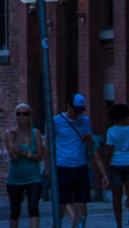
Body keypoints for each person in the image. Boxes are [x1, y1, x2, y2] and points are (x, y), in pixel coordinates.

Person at [52, 94, 104, 228]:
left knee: (82, 202)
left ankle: (77, 226)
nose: (77, 114)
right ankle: (56, 224)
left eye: (80, 110)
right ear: (68, 106)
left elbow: (92, 147)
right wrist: (48, 167)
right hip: (62, 165)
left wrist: (88, 141)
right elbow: (49, 145)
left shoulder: (85, 121)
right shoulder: (57, 121)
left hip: (80, 165)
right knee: (63, 203)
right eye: (75, 110)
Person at [3, 104, 45, 228]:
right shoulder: (10, 133)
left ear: (29, 116)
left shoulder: (35, 133)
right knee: (15, 210)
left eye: (25, 113)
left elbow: (40, 156)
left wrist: (24, 153)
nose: (21, 116)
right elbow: (14, 157)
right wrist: (15, 141)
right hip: (15, 178)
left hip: (33, 177)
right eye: (19, 113)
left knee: (33, 207)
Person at [103, 104, 129, 228]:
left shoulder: (111, 131)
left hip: (116, 163)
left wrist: (106, 167)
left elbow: (109, 151)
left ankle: (119, 224)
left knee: (117, 197)